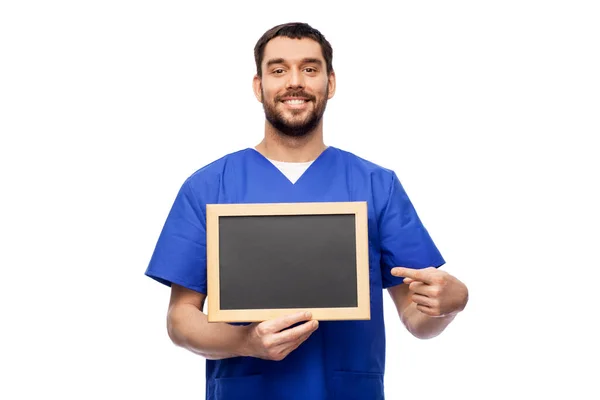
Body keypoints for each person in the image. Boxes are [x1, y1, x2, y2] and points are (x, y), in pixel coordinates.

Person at [145, 22, 469, 400]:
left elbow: (416, 318)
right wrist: (246, 341)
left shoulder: (376, 185)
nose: (294, 81)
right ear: (258, 86)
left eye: (310, 69)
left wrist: (449, 305)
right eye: (278, 70)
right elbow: (180, 319)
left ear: (330, 83)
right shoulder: (209, 186)